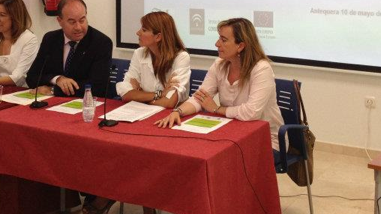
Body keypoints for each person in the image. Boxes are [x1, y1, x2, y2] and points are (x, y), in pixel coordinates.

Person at [86, 12, 190, 214]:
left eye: (143, 30)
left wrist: (140, 94)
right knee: (116, 147)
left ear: (158, 36)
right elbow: (124, 91)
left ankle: (109, 197)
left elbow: (170, 102)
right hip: (139, 116)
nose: (137, 33)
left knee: (140, 154)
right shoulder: (140, 53)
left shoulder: (181, 57)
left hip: (168, 122)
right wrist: (158, 93)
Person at [155, 17, 284, 155]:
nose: (217, 44)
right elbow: (200, 97)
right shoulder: (219, 64)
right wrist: (178, 112)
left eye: (223, 40)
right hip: (231, 136)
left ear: (241, 46)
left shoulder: (261, 69)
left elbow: (251, 113)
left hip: (265, 141)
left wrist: (216, 109)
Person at [26, 0, 113, 97]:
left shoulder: (101, 43)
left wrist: (54, 90)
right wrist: (57, 79)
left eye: (82, 20)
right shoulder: (50, 39)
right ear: (59, 21)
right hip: (52, 102)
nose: (78, 27)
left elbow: (98, 87)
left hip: (87, 102)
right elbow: (32, 77)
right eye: (72, 22)